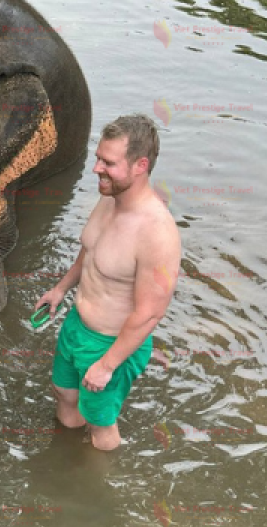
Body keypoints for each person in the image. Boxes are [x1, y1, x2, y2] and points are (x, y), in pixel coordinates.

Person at [36, 115, 180, 451]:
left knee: (101, 424)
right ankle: (64, 465)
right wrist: (60, 289)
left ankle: (98, 491)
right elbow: (90, 253)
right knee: (64, 395)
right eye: (98, 158)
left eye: (108, 163)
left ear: (140, 165)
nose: (96, 169)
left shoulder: (157, 233)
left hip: (111, 344)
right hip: (77, 325)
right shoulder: (108, 197)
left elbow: (149, 314)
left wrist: (106, 365)